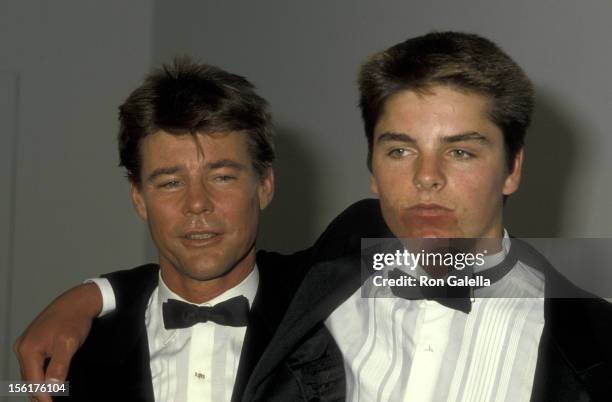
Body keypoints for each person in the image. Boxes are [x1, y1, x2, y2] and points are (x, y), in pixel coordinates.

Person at [15, 32, 612, 401]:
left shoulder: (592, 344)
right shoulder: (330, 278)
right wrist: (87, 296)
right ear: (373, 168)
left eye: (461, 150)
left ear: (512, 168)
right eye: (401, 149)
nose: (427, 177)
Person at [13, 58, 346, 401]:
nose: (197, 203)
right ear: (139, 198)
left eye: (222, 177)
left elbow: (385, 240)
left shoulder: (330, 317)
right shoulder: (75, 356)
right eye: (171, 182)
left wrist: (101, 290)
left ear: (264, 185)